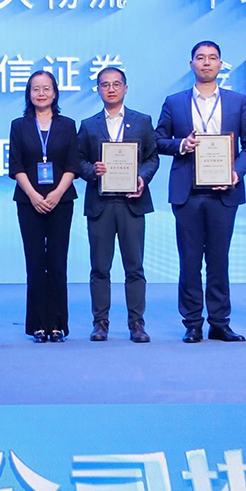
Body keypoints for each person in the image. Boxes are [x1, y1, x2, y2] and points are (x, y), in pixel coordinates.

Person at [155, 41, 246, 343]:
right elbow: (158, 140)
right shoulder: (174, 102)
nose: (206, 63)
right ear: (191, 65)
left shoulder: (237, 101)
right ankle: (192, 323)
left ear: (220, 65)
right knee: (189, 261)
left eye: (212, 58)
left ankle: (219, 323)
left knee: (218, 260)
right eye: (200, 58)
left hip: (224, 192)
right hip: (187, 191)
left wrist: (236, 172)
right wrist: (181, 144)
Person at [77, 66, 159, 343]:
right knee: (100, 268)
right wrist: (92, 170)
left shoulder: (142, 121)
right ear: (98, 90)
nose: (110, 89)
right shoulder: (88, 125)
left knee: (134, 267)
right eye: (104, 84)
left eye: (116, 84)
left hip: (132, 203)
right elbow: (77, 160)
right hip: (100, 204)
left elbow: (152, 158)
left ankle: (137, 324)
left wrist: (142, 178)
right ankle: (100, 323)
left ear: (125, 88)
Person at [9, 70, 81, 342]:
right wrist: (33, 195)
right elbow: (15, 165)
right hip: (29, 202)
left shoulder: (68, 124)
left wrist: (57, 193)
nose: (41, 93)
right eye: (35, 89)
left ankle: (58, 325)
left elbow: (73, 164)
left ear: (55, 93)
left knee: (58, 262)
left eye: (46, 88)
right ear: (29, 94)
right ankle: (38, 324)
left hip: (61, 201)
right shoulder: (19, 125)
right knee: (35, 262)